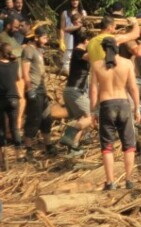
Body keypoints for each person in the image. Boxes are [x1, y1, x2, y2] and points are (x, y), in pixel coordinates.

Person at [90, 37, 141, 189]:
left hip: (106, 105)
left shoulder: (97, 65)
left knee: (107, 146)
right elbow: (133, 88)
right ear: (117, 48)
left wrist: (93, 111)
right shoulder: (127, 64)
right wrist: (137, 107)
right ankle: (129, 180)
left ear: (104, 49)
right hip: (123, 104)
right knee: (129, 145)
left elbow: (93, 90)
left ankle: (110, 181)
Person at [22, 26, 54, 160]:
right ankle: (28, 150)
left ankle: (49, 145)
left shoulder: (39, 51)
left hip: (42, 91)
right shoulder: (28, 50)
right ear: (36, 37)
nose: (46, 41)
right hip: (34, 90)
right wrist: (29, 89)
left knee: (47, 119)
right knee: (33, 120)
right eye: (44, 37)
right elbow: (25, 71)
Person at [59, 30, 93, 154]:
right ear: (85, 41)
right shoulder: (78, 51)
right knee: (91, 117)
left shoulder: (79, 52)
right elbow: (91, 57)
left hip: (74, 91)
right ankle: (68, 134)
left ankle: (73, 147)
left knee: (82, 118)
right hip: (74, 91)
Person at [0, 43, 22, 169]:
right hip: (14, 98)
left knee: (1, 129)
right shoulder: (15, 64)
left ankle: (2, 159)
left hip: (1, 99)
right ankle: (19, 156)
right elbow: (18, 78)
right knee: (14, 128)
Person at [58, 0, 86, 75]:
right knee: (67, 59)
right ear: (70, 1)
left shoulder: (83, 13)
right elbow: (62, 28)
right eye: (73, 0)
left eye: (76, 0)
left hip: (80, 39)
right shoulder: (65, 13)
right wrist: (61, 40)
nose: (75, 2)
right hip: (69, 39)